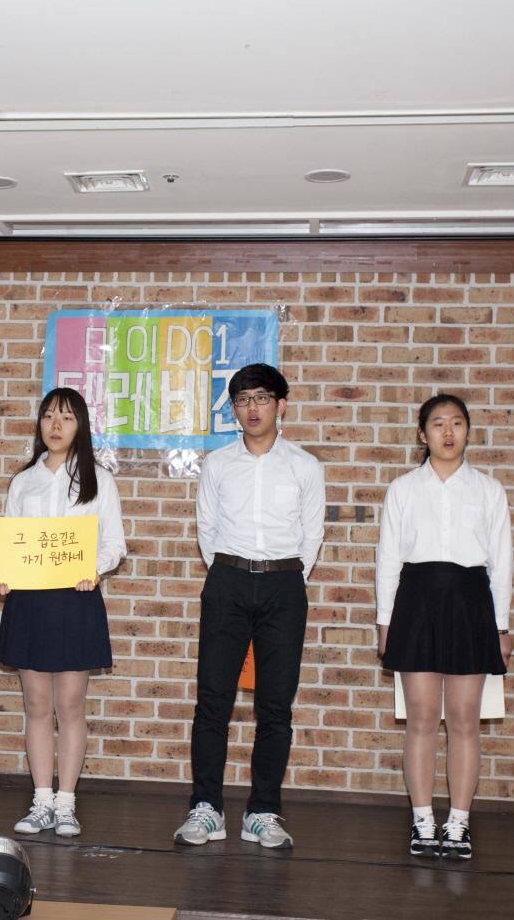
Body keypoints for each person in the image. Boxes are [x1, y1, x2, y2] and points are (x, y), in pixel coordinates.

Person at [175, 363, 324, 850]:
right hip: (228, 582)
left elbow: (312, 533)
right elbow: (207, 529)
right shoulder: (218, 464)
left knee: (275, 706)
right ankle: (207, 808)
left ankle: (263, 811)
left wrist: (287, 580)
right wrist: (231, 574)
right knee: (213, 701)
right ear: (234, 410)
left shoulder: (304, 466)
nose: (252, 407)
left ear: (281, 405)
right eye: (242, 400)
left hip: (284, 586)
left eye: (261, 397)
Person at [375, 394, 512, 859]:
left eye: (457, 423)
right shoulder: (403, 489)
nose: (448, 432)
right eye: (438, 423)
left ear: (468, 431)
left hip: (471, 606)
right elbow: (388, 559)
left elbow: (502, 564)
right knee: (420, 719)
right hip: (415, 605)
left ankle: (458, 822)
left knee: (464, 720)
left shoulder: (489, 489)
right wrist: (385, 621)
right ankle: (422, 820)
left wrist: (501, 626)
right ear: (423, 433)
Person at [0, 387, 126, 838]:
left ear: (80, 426)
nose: (55, 425)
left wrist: (94, 568)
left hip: (74, 599)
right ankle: (41, 802)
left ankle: (66, 804)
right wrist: (3, 575)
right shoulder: (23, 481)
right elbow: (12, 543)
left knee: (69, 706)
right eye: (49, 415)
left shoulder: (99, 480)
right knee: (36, 704)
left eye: (66, 417)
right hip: (29, 601)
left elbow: (114, 545)